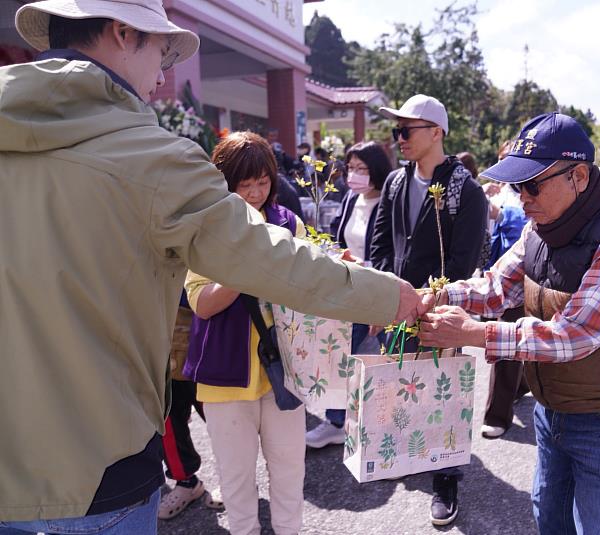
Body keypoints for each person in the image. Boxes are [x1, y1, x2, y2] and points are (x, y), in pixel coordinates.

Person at [0, 1, 423, 532]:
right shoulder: (150, 158)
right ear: (123, 33)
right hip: (94, 473)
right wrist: (388, 296)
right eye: (161, 48)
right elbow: (269, 259)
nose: (163, 72)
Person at [419, 112, 600, 534]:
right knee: (548, 521)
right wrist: (435, 295)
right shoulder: (538, 228)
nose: (522, 197)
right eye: (517, 186)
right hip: (553, 413)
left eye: (532, 184)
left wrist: (472, 332)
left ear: (580, 177)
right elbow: (496, 286)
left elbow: (575, 335)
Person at [372, 94, 488, 526]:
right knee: (399, 381)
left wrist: (429, 298)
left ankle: (446, 476)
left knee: (445, 392)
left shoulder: (464, 188)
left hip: (440, 308)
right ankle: (401, 452)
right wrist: (391, 290)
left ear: (436, 132)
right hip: (397, 303)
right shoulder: (395, 183)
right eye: (396, 130)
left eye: (407, 130)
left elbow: (463, 261)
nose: (399, 138)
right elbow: (381, 244)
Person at [182, 132, 306, 535]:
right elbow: (202, 303)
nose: (255, 194)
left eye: (263, 182)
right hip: (224, 378)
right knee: (237, 483)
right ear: (224, 183)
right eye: (244, 185)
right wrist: (249, 267)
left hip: (285, 370)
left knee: (289, 473)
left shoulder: (289, 224)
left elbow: (308, 289)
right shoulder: (205, 230)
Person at [306, 141, 392, 448]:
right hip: (348, 287)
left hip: (378, 289)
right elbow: (340, 236)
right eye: (350, 168)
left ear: (377, 170)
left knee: (389, 357)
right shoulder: (349, 200)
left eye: (361, 169)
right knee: (339, 354)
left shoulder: (388, 202)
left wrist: (365, 266)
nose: (353, 175)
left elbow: (390, 253)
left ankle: (391, 425)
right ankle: (336, 421)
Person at [479, 140, 530, 440]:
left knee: (515, 341)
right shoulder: (496, 192)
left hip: (533, 278)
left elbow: (529, 224)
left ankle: (517, 390)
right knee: (505, 343)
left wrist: (498, 214)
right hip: (502, 279)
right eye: (501, 160)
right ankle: (498, 413)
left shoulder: (528, 192)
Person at [158, 291, 223, 520]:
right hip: (158, 341)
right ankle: (186, 481)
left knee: (222, 419)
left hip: (201, 332)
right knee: (166, 421)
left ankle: (235, 479)